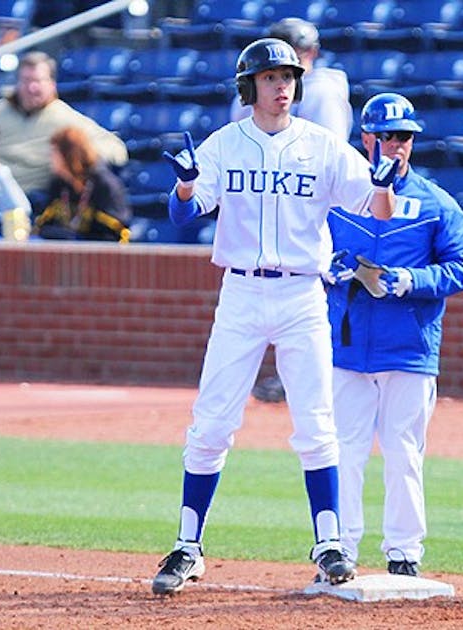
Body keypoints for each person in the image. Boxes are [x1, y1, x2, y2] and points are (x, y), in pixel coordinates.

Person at [151, 37, 399, 596]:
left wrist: (384, 186)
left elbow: (376, 209)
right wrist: (187, 184)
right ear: (250, 86)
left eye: (287, 76)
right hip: (240, 292)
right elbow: (182, 215)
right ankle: (188, 546)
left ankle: (329, 544)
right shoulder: (224, 143)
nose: (282, 85)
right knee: (212, 421)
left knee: (316, 423)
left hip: (301, 295)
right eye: (269, 78)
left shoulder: (324, 145)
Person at [326, 93, 463, 577]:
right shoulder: (341, 194)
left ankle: (404, 553)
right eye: (388, 136)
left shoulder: (436, 203)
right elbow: (305, 244)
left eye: (405, 137)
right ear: (366, 138)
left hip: (409, 345)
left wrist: (414, 280)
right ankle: (339, 549)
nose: (396, 146)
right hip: (346, 342)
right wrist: (326, 268)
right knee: (342, 451)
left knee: (403, 452)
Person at [237, 17, 355, 403]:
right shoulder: (253, 85)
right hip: (268, 203)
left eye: (297, 50)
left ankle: (310, 376)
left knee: (316, 289)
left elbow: (330, 153)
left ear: (312, 53)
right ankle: (289, 374)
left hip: (315, 202)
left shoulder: (321, 88)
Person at [0, 51, 128, 202]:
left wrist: (79, 153)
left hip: (33, 201)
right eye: (26, 80)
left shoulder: (65, 118)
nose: (32, 88)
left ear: (52, 84)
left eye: (38, 81)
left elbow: (117, 149)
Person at [34, 126, 131, 242]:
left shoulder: (104, 185)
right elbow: (44, 223)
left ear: (69, 155)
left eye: (55, 153)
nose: (50, 158)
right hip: (66, 254)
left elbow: (118, 233)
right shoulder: (59, 184)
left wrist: (78, 239)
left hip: (100, 255)